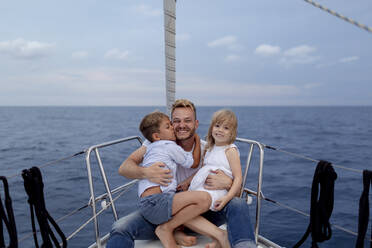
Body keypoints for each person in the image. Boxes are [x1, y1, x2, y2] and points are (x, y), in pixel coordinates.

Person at [106, 99, 256, 248]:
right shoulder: (157, 143)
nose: (182, 125)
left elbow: (236, 191)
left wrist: (228, 183)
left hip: (203, 213)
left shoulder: (207, 149)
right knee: (120, 227)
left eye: (187, 121)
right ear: (170, 124)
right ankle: (174, 230)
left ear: (196, 124)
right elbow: (124, 168)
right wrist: (145, 172)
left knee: (238, 203)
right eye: (176, 121)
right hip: (165, 212)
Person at [136, 111, 216, 247]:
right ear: (157, 136)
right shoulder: (168, 146)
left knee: (182, 204)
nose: (173, 127)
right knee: (204, 199)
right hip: (157, 202)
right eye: (168, 126)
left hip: (147, 204)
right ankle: (165, 229)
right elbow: (193, 163)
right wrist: (196, 139)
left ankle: (173, 234)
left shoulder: (150, 147)